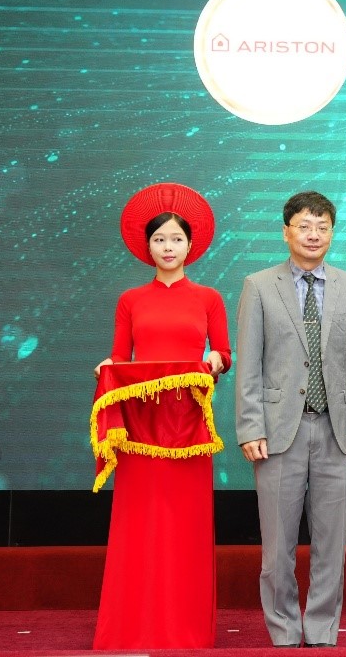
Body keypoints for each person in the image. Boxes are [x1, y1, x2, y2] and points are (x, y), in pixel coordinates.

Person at [91, 182, 231, 649]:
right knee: (140, 521)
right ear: (147, 246)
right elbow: (119, 357)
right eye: (159, 239)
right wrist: (107, 367)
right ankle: (130, 627)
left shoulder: (208, 297)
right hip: (140, 427)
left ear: (190, 245)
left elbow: (224, 352)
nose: (168, 247)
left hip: (189, 424)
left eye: (176, 239)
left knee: (185, 524)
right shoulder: (130, 299)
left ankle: (185, 629)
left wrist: (216, 361)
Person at [235, 191, 346, 648]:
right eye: (304, 226)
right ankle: (282, 629)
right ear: (286, 232)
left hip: (338, 431)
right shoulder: (259, 285)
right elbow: (249, 364)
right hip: (279, 432)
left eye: (322, 227)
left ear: (331, 233)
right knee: (277, 548)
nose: (313, 235)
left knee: (331, 545)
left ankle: (320, 630)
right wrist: (250, 426)